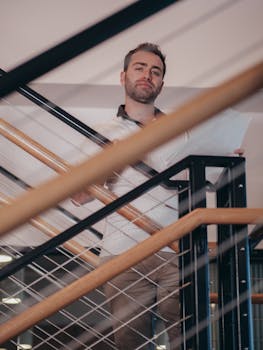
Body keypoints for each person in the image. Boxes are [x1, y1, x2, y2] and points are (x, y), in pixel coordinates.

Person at [72, 42, 186, 349]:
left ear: (161, 83)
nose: (148, 75)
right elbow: (80, 196)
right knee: (131, 344)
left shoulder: (182, 129)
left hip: (176, 247)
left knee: (189, 340)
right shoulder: (101, 132)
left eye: (155, 71)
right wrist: (115, 158)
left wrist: (223, 157)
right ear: (123, 77)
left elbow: (202, 181)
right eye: (140, 68)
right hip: (123, 254)